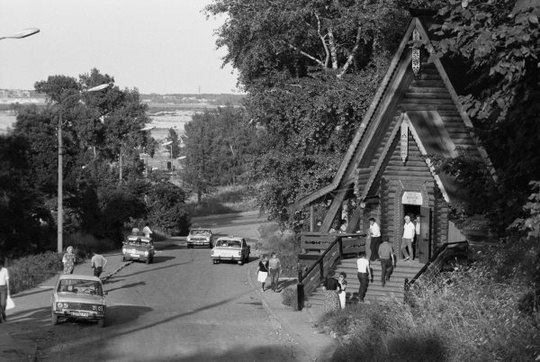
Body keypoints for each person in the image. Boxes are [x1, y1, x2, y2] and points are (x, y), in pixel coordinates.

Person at [0, 258, 10, 322]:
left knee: (3, 304)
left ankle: (3, 314)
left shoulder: (5, 270)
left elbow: (7, 280)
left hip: (3, 288)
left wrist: (8, 289)